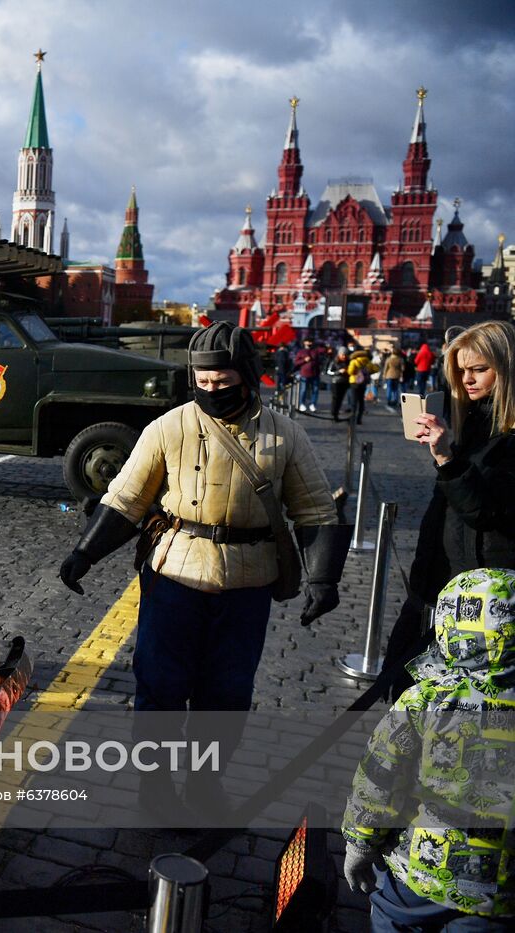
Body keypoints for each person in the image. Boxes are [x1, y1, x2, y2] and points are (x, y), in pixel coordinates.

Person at [56, 322, 348, 812]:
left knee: (227, 695)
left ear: (247, 375)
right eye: (203, 382)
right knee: (160, 689)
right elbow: (125, 499)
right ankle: (154, 788)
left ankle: (204, 784)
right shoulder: (168, 428)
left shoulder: (285, 434)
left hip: (248, 582)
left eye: (223, 380)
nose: (212, 391)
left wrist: (323, 578)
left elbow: (316, 511)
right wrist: (83, 554)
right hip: (175, 575)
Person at [342, 567, 515, 932]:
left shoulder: (427, 699)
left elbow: (378, 779)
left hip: (418, 877)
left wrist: (360, 845)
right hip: (500, 896)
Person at [379, 320, 515, 694]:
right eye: (460, 371)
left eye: (479, 369)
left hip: (486, 598)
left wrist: (446, 460)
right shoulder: (471, 420)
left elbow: (485, 513)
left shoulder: (506, 434)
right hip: (436, 585)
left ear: (506, 368)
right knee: (406, 693)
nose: (467, 380)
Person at [347, 343, 379, 425]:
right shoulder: (368, 361)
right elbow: (375, 369)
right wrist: (367, 372)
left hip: (354, 382)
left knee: (354, 402)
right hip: (363, 382)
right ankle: (359, 419)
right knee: (361, 401)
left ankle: (352, 418)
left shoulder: (354, 361)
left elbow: (350, 372)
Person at [294, 336, 325, 412]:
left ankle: (313, 404)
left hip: (315, 374)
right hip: (304, 374)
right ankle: (302, 404)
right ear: (304, 342)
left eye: (311, 341)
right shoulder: (301, 352)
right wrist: (304, 360)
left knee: (315, 390)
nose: (309, 343)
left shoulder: (315, 351)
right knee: (303, 390)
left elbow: (324, 351)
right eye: (308, 341)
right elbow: (296, 362)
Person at [327, 346, 352, 422]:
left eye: (345, 355)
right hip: (336, 382)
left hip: (345, 383)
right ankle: (333, 414)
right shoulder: (334, 361)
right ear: (339, 354)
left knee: (340, 399)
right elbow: (329, 372)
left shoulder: (349, 362)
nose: (344, 356)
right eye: (342, 355)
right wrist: (338, 372)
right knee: (335, 399)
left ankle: (336, 414)